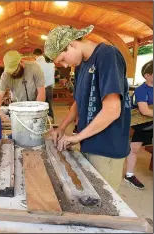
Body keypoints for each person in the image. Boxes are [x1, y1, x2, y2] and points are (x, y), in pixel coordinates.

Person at [44, 25, 131, 191]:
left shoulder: (107, 56)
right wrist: (62, 128)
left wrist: (76, 138)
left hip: (107, 147)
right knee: (89, 192)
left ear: (72, 44)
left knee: (104, 200)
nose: (63, 64)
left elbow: (112, 110)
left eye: (62, 58)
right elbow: (78, 101)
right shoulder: (81, 65)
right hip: (89, 141)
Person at [125, 60, 153, 189]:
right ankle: (129, 175)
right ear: (147, 75)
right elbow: (144, 110)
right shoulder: (141, 90)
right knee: (134, 148)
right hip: (141, 123)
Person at [33, 48, 55, 122]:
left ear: (35, 55)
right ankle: (52, 124)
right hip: (50, 88)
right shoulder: (50, 62)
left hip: (40, 89)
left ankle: (41, 125)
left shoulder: (36, 63)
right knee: (49, 107)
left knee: (40, 108)